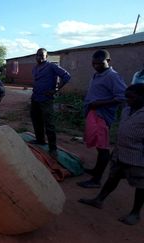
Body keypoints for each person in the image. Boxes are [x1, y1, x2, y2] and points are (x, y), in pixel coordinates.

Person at [78, 84, 144, 226]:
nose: (127, 101)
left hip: (138, 157)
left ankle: (135, 213)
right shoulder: (127, 110)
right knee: (112, 178)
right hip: (120, 152)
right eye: (126, 98)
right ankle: (99, 199)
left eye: (131, 98)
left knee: (141, 185)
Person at [77, 49, 127, 188]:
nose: (96, 66)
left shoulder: (112, 76)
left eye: (100, 63)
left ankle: (96, 180)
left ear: (108, 61)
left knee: (103, 147)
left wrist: (99, 103)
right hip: (94, 114)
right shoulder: (98, 74)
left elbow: (122, 96)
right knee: (99, 147)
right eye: (94, 63)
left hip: (102, 116)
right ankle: (95, 171)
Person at [30, 48, 71, 156]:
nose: (39, 57)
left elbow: (66, 76)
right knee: (36, 120)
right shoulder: (35, 68)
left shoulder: (52, 66)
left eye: (41, 55)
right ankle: (40, 140)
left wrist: (56, 89)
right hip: (35, 98)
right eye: (37, 55)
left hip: (46, 100)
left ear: (46, 56)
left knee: (49, 124)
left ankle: (53, 148)